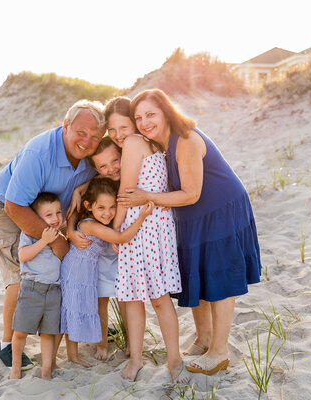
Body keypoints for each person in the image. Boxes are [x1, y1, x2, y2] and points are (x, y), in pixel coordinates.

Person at [118, 89, 262, 375]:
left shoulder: (185, 139)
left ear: (166, 112)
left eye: (151, 114)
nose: (145, 122)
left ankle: (219, 351)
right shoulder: (159, 143)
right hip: (193, 215)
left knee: (218, 276)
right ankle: (204, 338)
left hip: (219, 209)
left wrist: (146, 196)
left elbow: (191, 193)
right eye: (139, 117)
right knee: (199, 274)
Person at [0, 100, 105, 369]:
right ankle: (7, 343)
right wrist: (57, 240)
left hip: (47, 213)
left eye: (95, 136)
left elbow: (104, 174)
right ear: (65, 125)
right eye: (81, 132)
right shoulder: (40, 151)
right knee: (21, 276)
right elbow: (14, 206)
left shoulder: (90, 157)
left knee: (62, 269)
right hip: (3, 208)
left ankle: (76, 323)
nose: (87, 141)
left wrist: (83, 189)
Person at [104, 96, 188, 384]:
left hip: (143, 227)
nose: (118, 135)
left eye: (123, 126)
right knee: (142, 297)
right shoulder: (152, 143)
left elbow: (127, 189)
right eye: (112, 130)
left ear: (134, 121)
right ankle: (154, 358)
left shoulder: (133, 143)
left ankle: (168, 359)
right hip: (156, 225)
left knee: (147, 298)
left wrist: (116, 228)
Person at [61, 177, 154, 367]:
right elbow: (121, 237)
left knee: (120, 300)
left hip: (100, 265)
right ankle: (95, 346)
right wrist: (141, 218)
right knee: (88, 306)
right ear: (88, 206)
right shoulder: (89, 224)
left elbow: (112, 227)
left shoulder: (100, 219)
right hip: (83, 270)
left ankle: (129, 341)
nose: (108, 213)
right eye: (101, 208)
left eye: (112, 207)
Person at [10, 193, 63, 380]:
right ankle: (15, 368)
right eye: (48, 215)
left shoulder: (60, 235)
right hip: (32, 288)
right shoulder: (30, 234)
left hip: (54, 291)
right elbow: (23, 255)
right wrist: (44, 241)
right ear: (36, 218)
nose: (55, 218)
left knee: (48, 333)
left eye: (58, 212)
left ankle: (46, 371)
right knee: (20, 332)